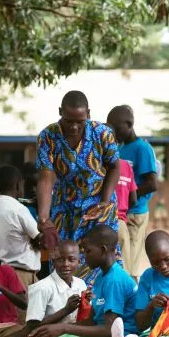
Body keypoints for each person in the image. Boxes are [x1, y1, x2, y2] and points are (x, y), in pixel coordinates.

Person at [0, 226, 139, 337]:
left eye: (87, 251)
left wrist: (64, 328)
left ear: (103, 250)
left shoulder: (114, 280)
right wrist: (63, 330)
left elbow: (108, 330)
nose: (84, 257)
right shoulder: (101, 276)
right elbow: (91, 321)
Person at [36, 91, 121, 283]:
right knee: (64, 261)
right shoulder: (48, 137)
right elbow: (45, 176)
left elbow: (115, 166)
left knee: (101, 258)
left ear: (88, 114)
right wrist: (43, 217)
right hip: (65, 209)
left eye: (80, 122)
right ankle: (66, 309)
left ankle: (102, 307)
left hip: (99, 208)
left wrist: (105, 201)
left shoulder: (103, 134)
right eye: (68, 121)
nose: (74, 127)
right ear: (60, 112)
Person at [107, 105, 159, 281]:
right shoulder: (119, 148)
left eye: (116, 127)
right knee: (120, 261)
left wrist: (127, 199)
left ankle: (131, 301)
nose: (112, 131)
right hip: (120, 213)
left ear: (129, 124)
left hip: (135, 213)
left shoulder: (142, 148)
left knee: (130, 266)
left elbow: (152, 183)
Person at [0, 165, 42, 291]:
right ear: (19, 184)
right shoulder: (19, 209)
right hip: (23, 275)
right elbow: (40, 239)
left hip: (5, 271)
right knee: (24, 310)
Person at [25, 240, 88, 332]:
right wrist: (66, 310)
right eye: (60, 260)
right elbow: (32, 327)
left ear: (78, 262)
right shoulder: (41, 288)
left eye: (71, 260)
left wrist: (86, 303)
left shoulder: (81, 284)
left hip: (74, 336)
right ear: (53, 262)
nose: (66, 264)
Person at [115, 159, 138, 272]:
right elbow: (133, 199)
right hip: (120, 223)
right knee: (124, 268)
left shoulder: (96, 161)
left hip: (98, 223)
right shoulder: (125, 165)